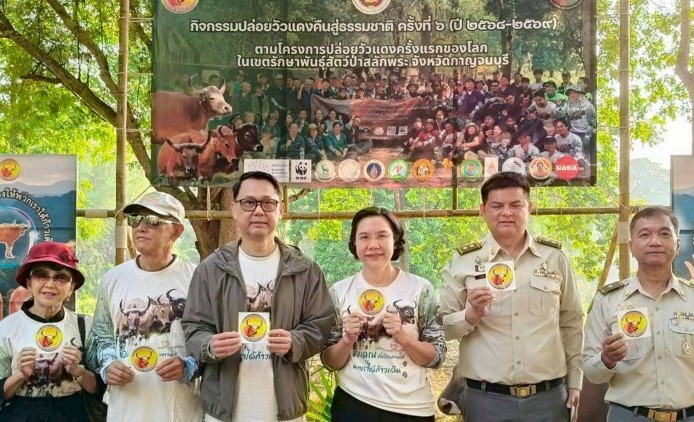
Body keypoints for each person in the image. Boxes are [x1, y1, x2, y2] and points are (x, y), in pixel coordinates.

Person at [182, 171, 334, 422]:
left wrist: (295, 341)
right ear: (234, 209)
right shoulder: (210, 269)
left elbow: (321, 324)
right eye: (248, 202)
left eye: (268, 203)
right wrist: (209, 345)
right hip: (223, 410)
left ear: (281, 209)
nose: (259, 211)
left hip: (286, 410)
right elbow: (193, 326)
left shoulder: (305, 270)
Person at [439, 172, 584, 422]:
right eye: (497, 206)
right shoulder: (463, 262)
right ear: (483, 210)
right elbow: (442, 327)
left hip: (548, 399)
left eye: (516, 205)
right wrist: (470, 316)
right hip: (486, 401)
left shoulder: (554, 258)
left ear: (529, 208)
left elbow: (572, 322)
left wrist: (575, 381)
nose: (507, 212)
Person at [321, 207, 446, 421]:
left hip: (411, 410)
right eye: (364, 237)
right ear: (354, 243)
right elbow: (329, 362)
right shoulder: (339, 291)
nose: (373, 245)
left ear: (395, 241)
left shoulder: (420, 288)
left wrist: (404, 338)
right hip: (352, 404)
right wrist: (347, 340)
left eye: (382, 236)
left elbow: (437, 357)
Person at [88, 192, 202, 421]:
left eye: (153, 221)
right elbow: (101, 335)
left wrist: (189, 366)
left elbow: (211, 338)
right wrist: (108, 364)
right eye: (135, 219)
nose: (140, 227)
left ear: (176, 231)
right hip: (126, 408)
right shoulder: (112, 279)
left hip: (180, 410)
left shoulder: (197, 278)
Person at [584, 206, 694, 422]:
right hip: (628, 416)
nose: (655, 242)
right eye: (644, 235)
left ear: (677, 244)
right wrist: (607, 359)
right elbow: (591, 372)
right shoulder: (608, 301)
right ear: (631, 246)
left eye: (664, 234)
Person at [0, 242, 102, 421]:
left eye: (60, 277)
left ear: (71, 288)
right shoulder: (7, 328)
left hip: (72, 415)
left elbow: (99, 388)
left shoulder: (84, 326)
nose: (50, 284)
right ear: (29, 284)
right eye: (41, 275)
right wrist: (20, 375)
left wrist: (77, 371)